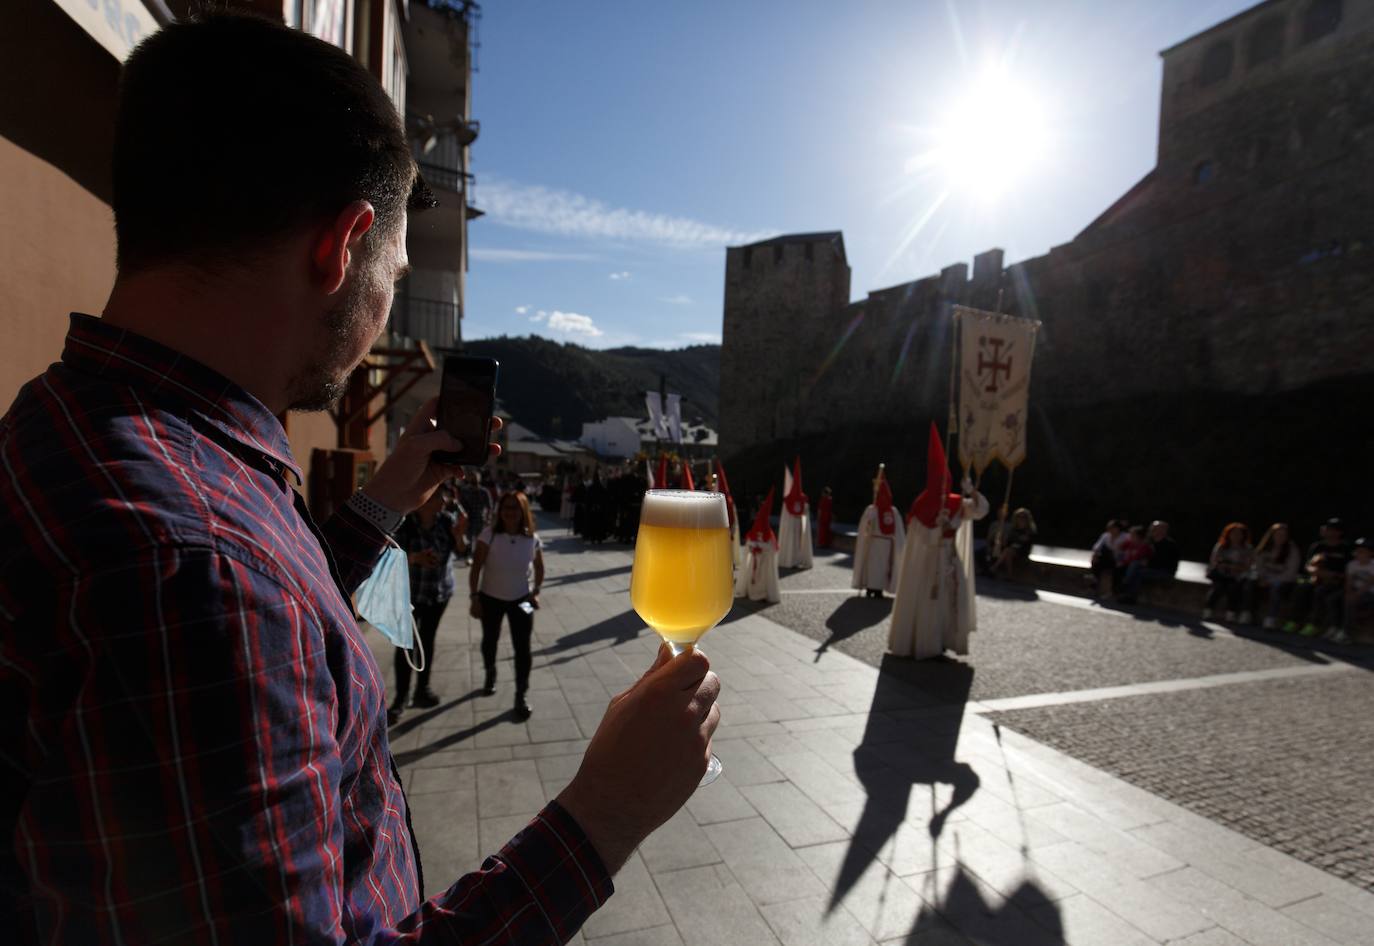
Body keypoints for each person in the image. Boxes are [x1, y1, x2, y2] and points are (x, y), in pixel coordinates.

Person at [0, 15, 721, 941]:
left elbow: (267, 608)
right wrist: (603, 817)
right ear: (341, 247)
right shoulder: (204, 571)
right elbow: (236, 601)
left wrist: (382, 502)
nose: (385, 309)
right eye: (395, 269)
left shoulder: (74, 422)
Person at [888, 423, 989, 660]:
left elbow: (980, 510)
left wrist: (972, 491)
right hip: (928, 561)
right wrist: (938, 529)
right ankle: (926, 643)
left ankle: (945, 640)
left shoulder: (955, 502)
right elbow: (918, 539)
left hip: (950, 558)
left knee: (950, 601)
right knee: (929, 600)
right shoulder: (921, 505)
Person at [388, 482, 468, 724]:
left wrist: (459, 536)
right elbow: (389, 556)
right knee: (405, 645)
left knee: (427, 640)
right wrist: (414, 558)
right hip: (409, 597)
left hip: (438, 593)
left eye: (443, 498)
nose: (443, 502)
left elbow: (464, 552)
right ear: (423, 499)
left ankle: (422, 689)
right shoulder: (405, 523)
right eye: (437, 498)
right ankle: (400, 699)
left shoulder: (446, 521)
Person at [469, 491, 544, 719]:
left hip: (523, 600)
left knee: (524, 648)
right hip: (490, 599)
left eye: (515, 507)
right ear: (499, 511)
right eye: (506, 507)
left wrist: (536, 592)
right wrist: (474, 598)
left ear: (523, 511)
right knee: (489, 640)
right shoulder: (488, 535)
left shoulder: (532, 538)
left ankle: (521, 694)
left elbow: (540, 568)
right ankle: (490, 672)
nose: (510, 512)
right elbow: (476, 568)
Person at [1289, 518, 1350, 638]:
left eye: (1334, 530)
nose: (1330, 532)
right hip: (1316, 579)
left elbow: (1349, 571)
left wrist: (1332, 575)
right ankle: (1294, 621)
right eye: (1328, 529)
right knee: (1301, 588)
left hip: (1336, 582)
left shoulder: (1346, 549)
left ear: (1340, 532)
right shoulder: (1317, 546)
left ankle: (1314, 624)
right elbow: (1308, 566)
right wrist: (1316, 572)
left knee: (1320, 592)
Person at [851, 465, 905, 598]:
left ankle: (872, 588)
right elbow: (898, 530)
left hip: (875, 542)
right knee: (881, 567)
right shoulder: (893, 511)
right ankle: (876, 589)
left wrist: (868, 522)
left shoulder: (872, 509)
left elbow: (864, 526)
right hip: (884, 543)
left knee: (875, 567)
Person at [1243, 522, 1300, 628]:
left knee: (1276, 587)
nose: (1280, 537)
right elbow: (1257, 566)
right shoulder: (1264, 548)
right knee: (1250, 582)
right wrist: (1262, 577)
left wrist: (1271, 580)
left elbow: (1290, 573)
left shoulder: (1292, 550)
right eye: (1278, 534)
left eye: (1283, 535)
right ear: (1272, 535)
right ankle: (1248, 613)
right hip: (1264, 579)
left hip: (1283, 581)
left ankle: (1270, 618)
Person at [735, 486, 782, 603]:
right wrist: (754, 547)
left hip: (764, 562)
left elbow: (772, 548)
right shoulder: (754, 530)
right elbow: (749, 542)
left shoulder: (769, 534)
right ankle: (753, 593)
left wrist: (760, 547)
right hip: (755, 561)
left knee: (763, 579)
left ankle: (762, 594)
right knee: (753, 578)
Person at [1116, 520, 1180, 604]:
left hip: (1165, 571)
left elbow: (1165, 563)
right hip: (1152, 567)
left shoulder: (1169, 545)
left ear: (1163, 531)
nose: (1151, 531)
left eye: (1154, 529)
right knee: (1134, 564)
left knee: (1139, 572)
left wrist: (1148, 563)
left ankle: (1130, 595)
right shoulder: (1150, 542)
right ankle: (1125, 586)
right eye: (1151, 528)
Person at [1204, 522, 1253, 621]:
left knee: (1234, 588)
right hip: (1221, 574)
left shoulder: (1247, 549)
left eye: (1239, 533)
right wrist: (1228, 566)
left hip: (1237, 576)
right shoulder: (1221, 546)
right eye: (1234, 533)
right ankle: (1208, 610)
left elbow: (1247, 566)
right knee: (1217, 587)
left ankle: (1231, 613)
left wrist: (1232, 566)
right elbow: (1215, 561)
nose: (1236, 536)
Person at [777, 456, 814, 569]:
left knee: (792, 543)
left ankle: (790, 559)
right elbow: (805, 513)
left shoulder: (787, 500)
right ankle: (796, 560)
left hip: (792, 526)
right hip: (798, 525)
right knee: (797, 543)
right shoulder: (803, 500)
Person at [990, 507, 1037, 581]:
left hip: (1023, 551)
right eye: (1019, 516)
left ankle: (994, 568)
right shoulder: (1014, 529)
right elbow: (1009, 541)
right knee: (1008, 552)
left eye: (1023, 517)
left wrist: (1019, 542)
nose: (1021, 519)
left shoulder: (1030, 530)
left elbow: (1027, 544)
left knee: (1008, 551)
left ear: (1027, 518)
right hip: (1011, 550)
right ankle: (1009, 575)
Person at [1341, 537, 1374, 643]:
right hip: (1355, 591)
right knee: (1341, 600)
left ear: (1370, 553)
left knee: (1352, 602)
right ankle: (1342, 631)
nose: (1359, 553)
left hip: (1369, 592)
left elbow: (1368, 584)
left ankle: (1348, 633)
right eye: (1357, 551)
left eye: (1362, 551)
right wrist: (1349, 593)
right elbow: (1349, 582)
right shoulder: (1351, 565)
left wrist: (1355, 595)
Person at [458, 468, 492, 564]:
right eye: (472, 477)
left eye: (476, 478)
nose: (474, 479)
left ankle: (480, 557)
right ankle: (469, 556)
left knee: (481, 539)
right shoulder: (465, 491)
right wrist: (463, 517)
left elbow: (489, 506)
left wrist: (488, 518)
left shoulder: (484, 491)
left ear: (479, 479)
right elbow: (461, 505)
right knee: (469, 539)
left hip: (481, 519)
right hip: (469, 519)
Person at [1088, 519, 1128, 598]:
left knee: (1117, 571)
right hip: (1107, 559)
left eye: (1112, 528)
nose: (1110, 530)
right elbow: (1097, 547)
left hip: (1119, 560)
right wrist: (1095, 555)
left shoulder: (1125, 537)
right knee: (1098, 558)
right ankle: (1094, 582)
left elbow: (1126, 551)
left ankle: (1113, 591)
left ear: (1117, 528)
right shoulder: (1106, 536)